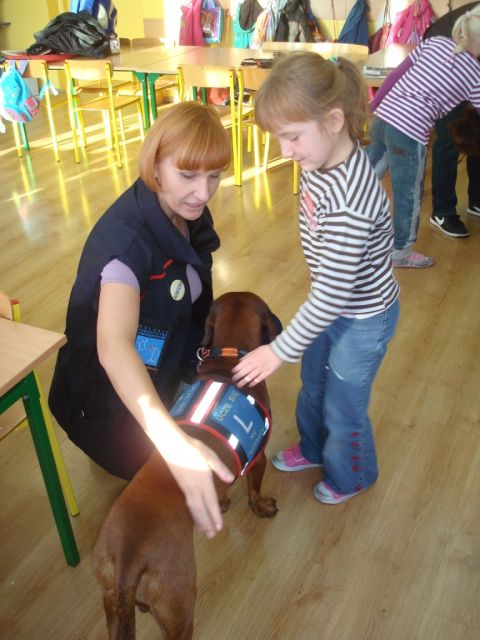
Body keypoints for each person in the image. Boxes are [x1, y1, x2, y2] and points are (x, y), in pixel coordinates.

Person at [48, 101, 235, 539]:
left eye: (214, 175)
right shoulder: (127, 245)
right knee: (156, 489)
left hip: (159, 373)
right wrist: (171, 443)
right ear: (154, 165)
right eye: (188, 175)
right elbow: (113, 346)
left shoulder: (183, 210)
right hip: (103, 408)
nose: (204, 192)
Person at [232, 51, 400, 505]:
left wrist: (277, 350)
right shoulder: (319, 159)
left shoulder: (351, 201)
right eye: (278, 138)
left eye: (292, 137)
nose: (284, 151)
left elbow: (332, 295)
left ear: (334, 120)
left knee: (343, 406)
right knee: (314, 385)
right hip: (330, 306)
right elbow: (327, 291)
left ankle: (353, 475)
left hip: (363, 318)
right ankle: (312, 448)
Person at [365, 8, 480, 267]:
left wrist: (374, 105)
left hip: (384, 118)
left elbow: (396, 75)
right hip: (409, 132)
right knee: (408, 194)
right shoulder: (475, 73)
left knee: (365, 174)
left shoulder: (434, 43)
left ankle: (341, 213)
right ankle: (401, 252)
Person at [425, 3, 480, 238]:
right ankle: (442, 211)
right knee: (451, 133)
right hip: (450, 51)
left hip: (473, 52)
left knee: (477, 128)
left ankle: (477, 199)